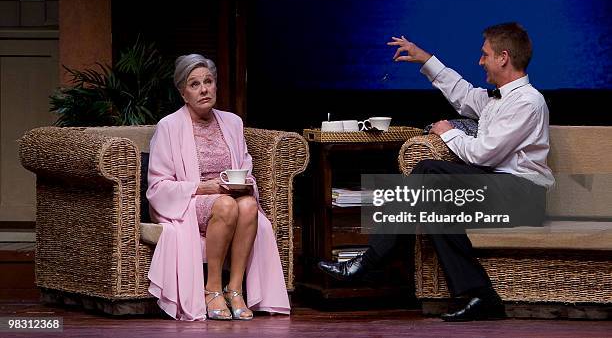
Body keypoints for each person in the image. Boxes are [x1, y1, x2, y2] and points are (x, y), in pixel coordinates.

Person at [318, 22, 554, 321]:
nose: (480, 61)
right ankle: (481, 295)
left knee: (427, 171)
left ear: (503, 57)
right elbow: (464, 94)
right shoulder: (500, 99)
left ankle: (373, 259)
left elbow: (484, 153)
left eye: (485, 55)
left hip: (524, 195)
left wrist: (447, 132)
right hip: (499, 187)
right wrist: (424, 59)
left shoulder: (527, 102)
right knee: (433, 201)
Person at [146, 54, 290, 321]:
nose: (204, 89)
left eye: (208, 82)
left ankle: (234, 289)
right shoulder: (168, 127)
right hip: (189, 202)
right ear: (183, 93)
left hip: (229, 199)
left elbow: (246, 167)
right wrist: (205, 188)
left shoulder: (233, 123)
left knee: (248, 205)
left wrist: (243, 184)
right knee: (225, 204)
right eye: (194, 84)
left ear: (216, 86)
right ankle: (211, 288)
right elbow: (158, 187)